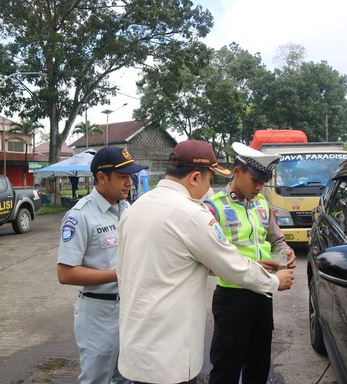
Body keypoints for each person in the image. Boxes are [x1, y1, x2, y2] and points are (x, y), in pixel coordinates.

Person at [116, 140, 294, 384]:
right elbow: (230, 265)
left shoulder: (134, 209)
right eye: (210, 180)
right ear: (195, 178)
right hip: (170, 351)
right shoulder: (193, 214)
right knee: (226, 366)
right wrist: (274, 281)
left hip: (137, 344)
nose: (210, 188)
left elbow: (122, 272)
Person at [205, 142, 296, 384]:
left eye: (263, 182)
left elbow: (276, 240)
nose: (259, 187)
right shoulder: (214, 207)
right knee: (226, 367)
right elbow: (210, 263)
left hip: (263, 293)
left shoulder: (262, 204)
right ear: (237, 171)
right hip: (232, 298)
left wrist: (285, 254)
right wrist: (259, 265)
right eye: (255, 180)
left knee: (259, 363)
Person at [56, 146, 147, 384]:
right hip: (98, 313)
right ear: (101, 177)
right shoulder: (80, 216)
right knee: (97, 378)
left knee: (125, 376)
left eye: (130, 176)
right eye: (123, 177)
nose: (129, 183)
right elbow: (65, 273)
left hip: (128, 308)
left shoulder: (126, 209)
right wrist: (118, 275)